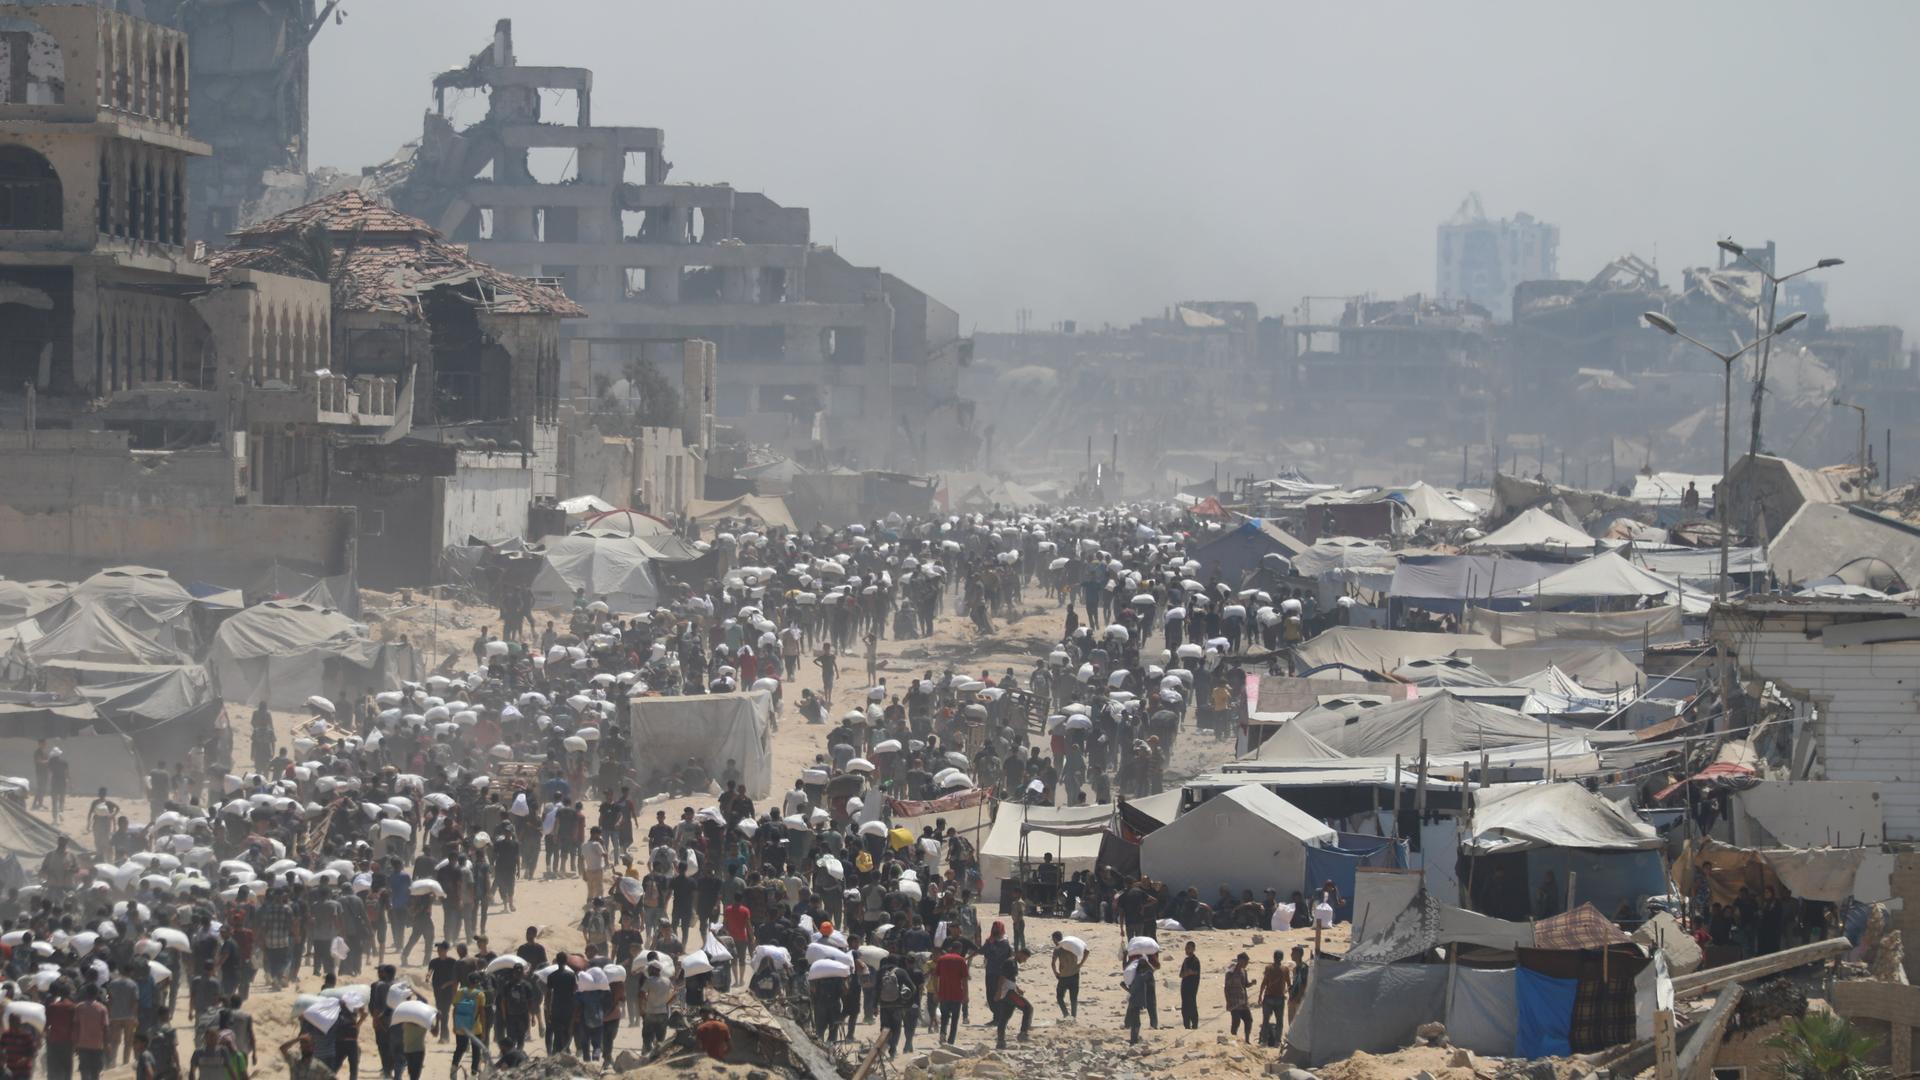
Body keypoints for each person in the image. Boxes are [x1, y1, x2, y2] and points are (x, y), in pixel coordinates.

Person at [990, 953, 1031, 1049]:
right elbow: (1002, 977)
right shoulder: (1010, 963)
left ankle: (1000, 1042)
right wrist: (998, 991)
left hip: (1008, 991)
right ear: (1020, 954)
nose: (1024, 961)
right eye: (1024, 958)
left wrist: (1018, 989)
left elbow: (1010, 979)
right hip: (1009, 993)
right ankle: (1023, 1033)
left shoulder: (1013, 962)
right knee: (1028, 1008)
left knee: (1005, 1017)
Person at [933, 944, 968, 1045]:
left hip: (944, 993)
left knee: (944, 1016)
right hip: (957, 994)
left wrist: (936, 991)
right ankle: (951, 1040)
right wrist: (966, 995)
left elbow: (935, 977)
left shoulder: (941, 959)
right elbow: (964, 979)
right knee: (955, 1018)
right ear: (959, 949)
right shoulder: (961, 960)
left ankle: (942, 1034)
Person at [1258, 949, 1288, 1047]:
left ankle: (1264, 1041)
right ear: (1282, 958)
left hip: (1268, 997)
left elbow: (1264, 983)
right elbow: (1289, 983)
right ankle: (1277, 1042)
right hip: (1279, 998)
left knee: (1266, 1020)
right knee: (1279, 1021)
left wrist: (1260, 996)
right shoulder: (1285, 969)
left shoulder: (1268, 968)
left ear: (1274, 957)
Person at [1224, 952, 1254, 1042]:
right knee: (1236, 1021)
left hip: (1243, 1002)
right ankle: (1233, 1039)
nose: (1246, 964)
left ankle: (1247, 1040)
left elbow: (1245, 985)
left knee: (1249, 1020)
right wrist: (1228, 1002)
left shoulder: (1244, 971)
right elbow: (1226, 988)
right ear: (1240, 960)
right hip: (1234, 1002)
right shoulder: (1231, 973)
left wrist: (1252, 983)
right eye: (1246, 962)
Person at [1049, 932, 1080, 1018]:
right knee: (1073, 999)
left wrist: (1056, 974)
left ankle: (1066, 1015)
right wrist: (1080, 965)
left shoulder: (1057, 949)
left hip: (1064, 976)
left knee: (1059, 997)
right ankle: (1074, 1017)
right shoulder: (1071, 946)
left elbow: (1053, 964)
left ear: (1055, 939)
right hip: (1075, 974)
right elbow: (1086, 952)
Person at [1179, 942, 1200, 1030]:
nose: (1187, 950)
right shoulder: (1186, 960)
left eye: (1189, 948)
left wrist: (1189, 972)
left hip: (1192, 987)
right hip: (1184, 987)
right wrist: (1186, 973)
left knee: (1192, 1005)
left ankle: (1194, 1025)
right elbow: (1181, 974)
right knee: (1184, 1007)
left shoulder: (1195, 960)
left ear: (1193, 949)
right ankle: (1186, 1025)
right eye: (1186, 948)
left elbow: (1195, 972)